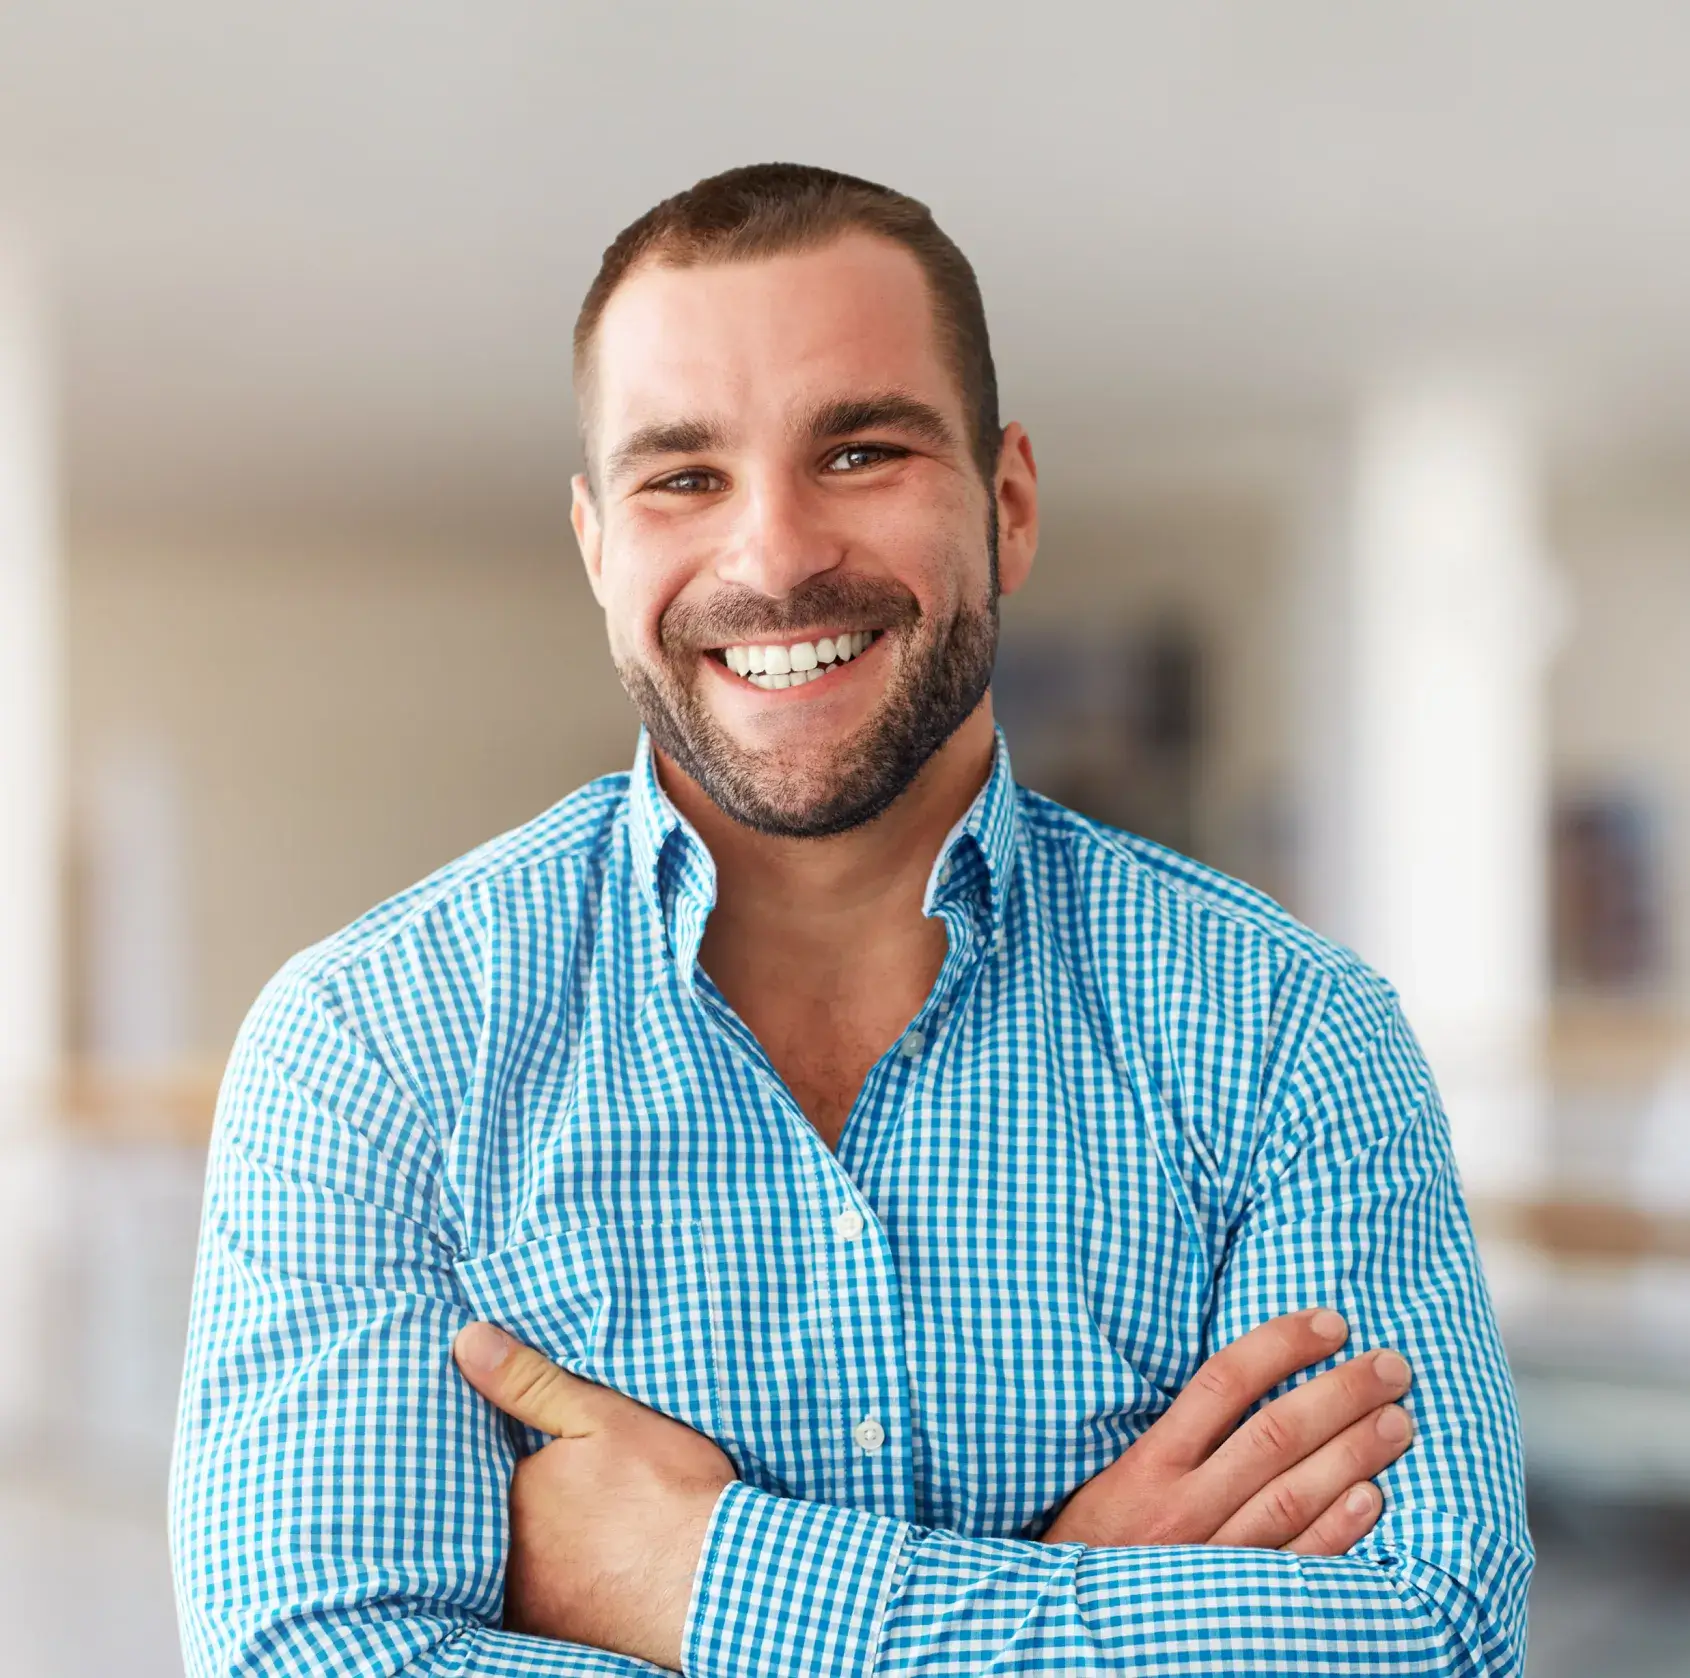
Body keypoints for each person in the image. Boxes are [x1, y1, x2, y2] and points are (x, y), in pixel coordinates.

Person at [169, 163, 1531, 1677]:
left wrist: (698, 1580)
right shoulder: (372, 1046)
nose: (771, 556)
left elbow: (1425, 1635)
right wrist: (1070, 1589)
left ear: (1005, 504)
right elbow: (312, 1657)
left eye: (860, 449)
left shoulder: (1286, 1034)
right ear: (598, 545)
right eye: (682, 476)